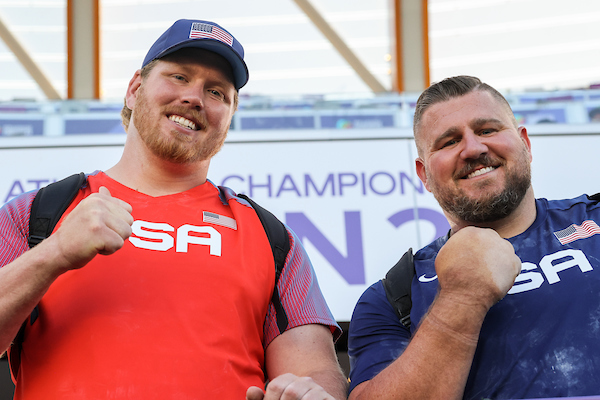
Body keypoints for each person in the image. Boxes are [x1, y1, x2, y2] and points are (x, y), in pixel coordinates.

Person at [0, 19, 347, 399]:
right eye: (179, 77)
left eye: (216, 92)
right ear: (134, 89)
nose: (195, 98)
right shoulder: (37, 213)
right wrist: (55, 252)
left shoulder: (271, 237)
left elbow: (313, 371)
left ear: (229, 116)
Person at [347, 75, 600, 399]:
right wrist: (462, 297)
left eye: (488, 130)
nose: (473, 148)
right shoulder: (391, 298)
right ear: (424, 174)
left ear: (526, 143)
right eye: (449, 141)